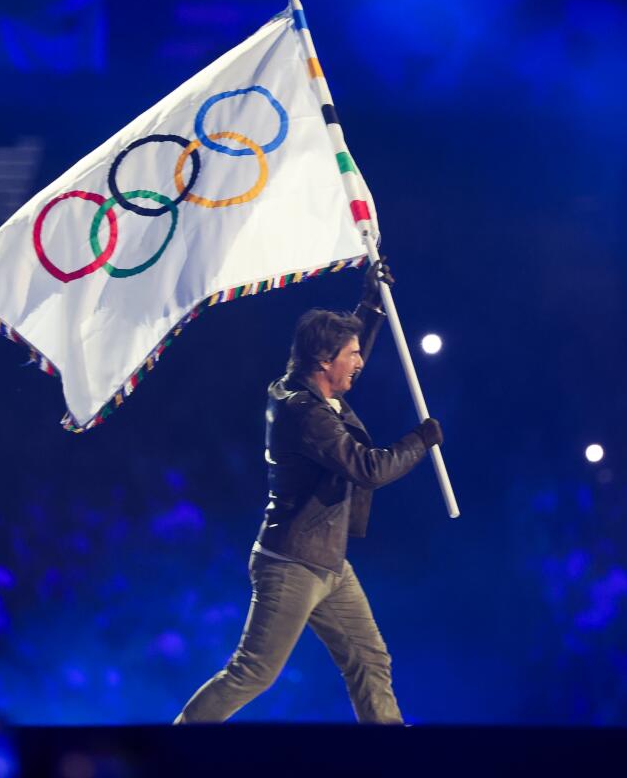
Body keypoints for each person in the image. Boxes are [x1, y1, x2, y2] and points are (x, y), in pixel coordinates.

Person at [174, 260, 443, 724]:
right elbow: (367, 467)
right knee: (252, 673)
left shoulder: (312, 387)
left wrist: (371, 305)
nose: (359, 362)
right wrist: (418, 442)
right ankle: (173, 748)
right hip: (292, 565)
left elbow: (349, 358)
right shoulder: (307, 414)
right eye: (352, 354)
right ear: (324, 361)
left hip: (328, 563)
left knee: (370, 659)